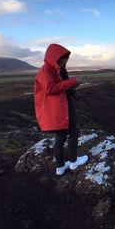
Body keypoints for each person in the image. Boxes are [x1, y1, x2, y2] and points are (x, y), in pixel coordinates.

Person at [34, 43, 88, 176]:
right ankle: (74, 162)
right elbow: (51, 88)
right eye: (63, 58)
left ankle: (60, 167)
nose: (65, 61)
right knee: (73, 132)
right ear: (55, 57)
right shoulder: (46, 70)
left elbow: (59, 86)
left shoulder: (55, 70)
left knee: (61, 135)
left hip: (58, 107)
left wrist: (72, 89)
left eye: (66, 59)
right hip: (59, 108)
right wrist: (72, 82)